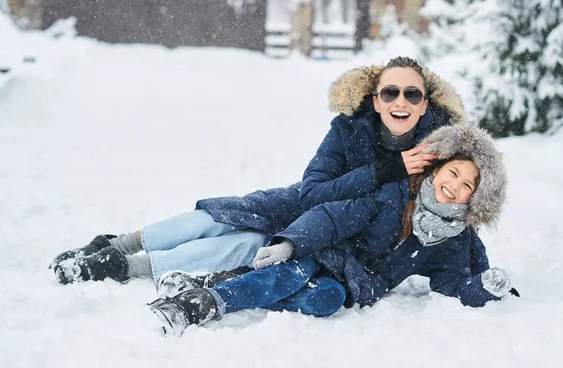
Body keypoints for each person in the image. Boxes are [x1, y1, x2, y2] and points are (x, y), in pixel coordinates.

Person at [51, 57, 484, 287]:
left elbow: (456, 211)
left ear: (425, 103)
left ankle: (126, 268)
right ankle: (117, 243)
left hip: (335, 238)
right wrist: (385, 169)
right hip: (299, 202)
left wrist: (482, 273)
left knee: (241, 244)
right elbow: (314, 191)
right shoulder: (347, 129)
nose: (400, 101)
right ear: (375, 99)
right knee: (218, 216)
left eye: (412, 93)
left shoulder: (441, 150)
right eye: (391, 91)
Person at [147, 125, 513, 336]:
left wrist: (483, 287)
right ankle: (200, 304)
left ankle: (215, 281)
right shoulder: (394, 194)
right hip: (328, 252)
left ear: (475, 199)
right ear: (436, 170)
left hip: (355, 285)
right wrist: (291, 243)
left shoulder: (452, 240)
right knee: (292, 275)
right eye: (453, 173)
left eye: (468, 185)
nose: (456, 185)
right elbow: (333, 217)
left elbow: (451, 284)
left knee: (326, 300)